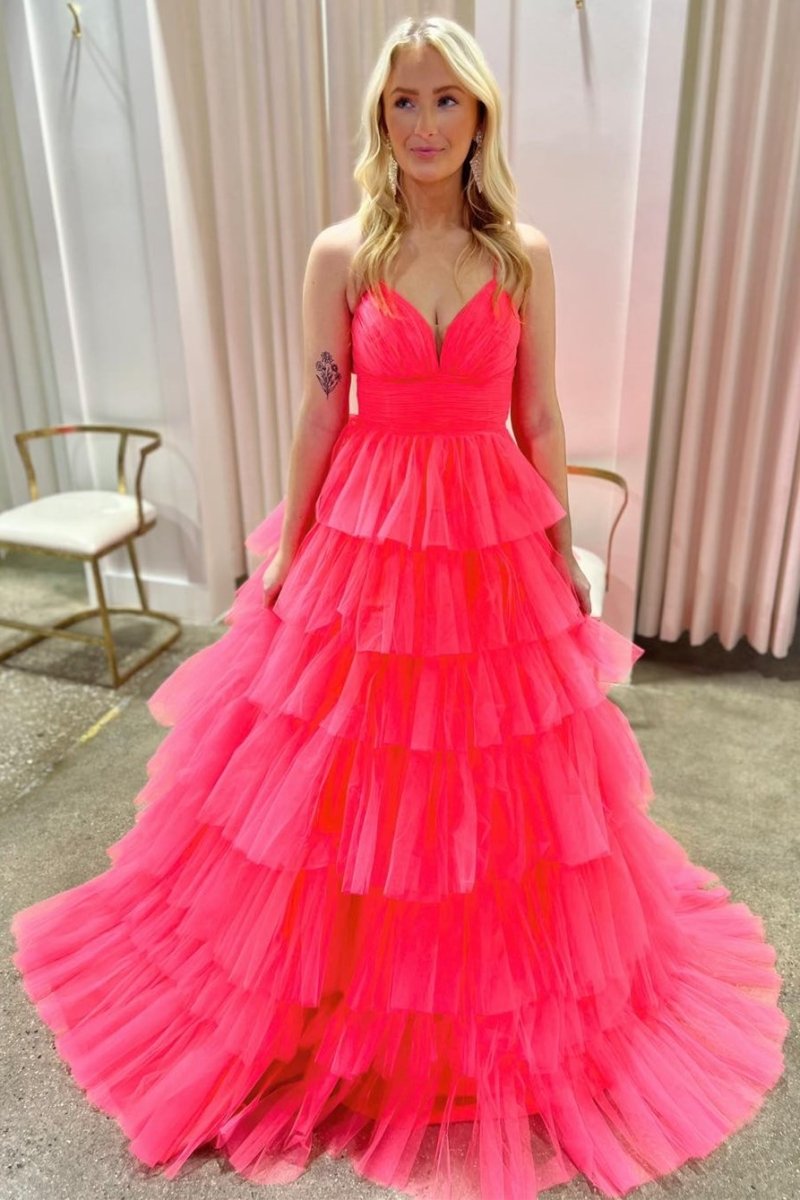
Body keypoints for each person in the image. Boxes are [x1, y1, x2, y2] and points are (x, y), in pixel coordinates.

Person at [10, 15, 788, 1200]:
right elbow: (320, 408)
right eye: (402, 102)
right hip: (368, 525)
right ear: (380, 119)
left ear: (479, 118)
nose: (424, 123)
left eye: (445, 101)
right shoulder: (343, 253)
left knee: (493, 769)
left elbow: (541, 415)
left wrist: (557, 544)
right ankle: (331, 989)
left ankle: (469, 999)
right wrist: (290, 545)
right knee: (341, 765)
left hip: (485, 526)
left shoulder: (519, 254)